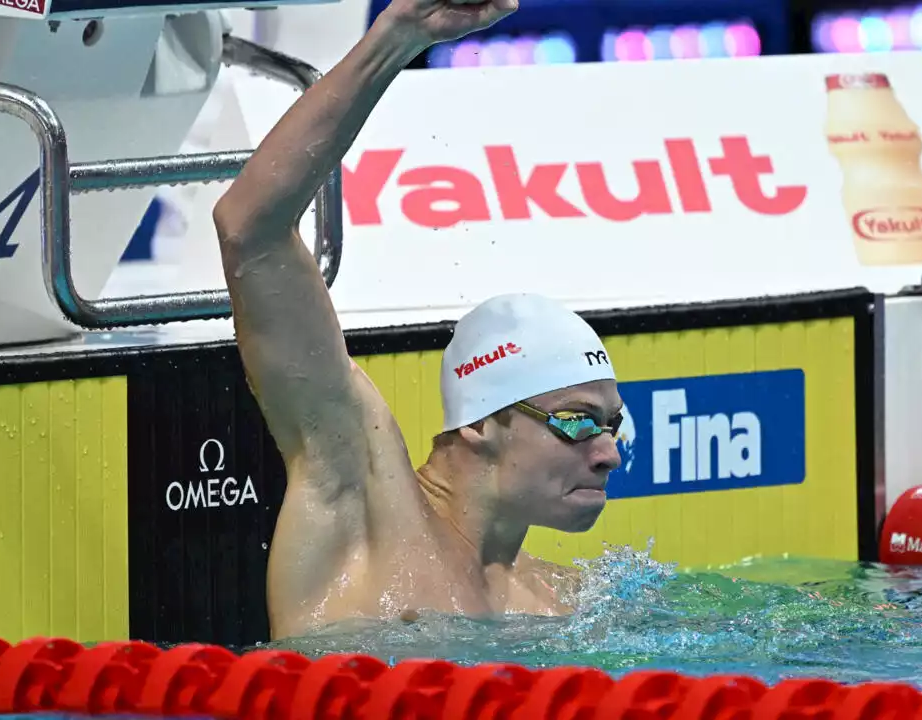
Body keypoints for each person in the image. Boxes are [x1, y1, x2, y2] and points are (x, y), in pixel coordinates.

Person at [211, 0, 625, 640]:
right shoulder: (365, 505)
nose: (608, 456)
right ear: (485, 423)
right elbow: (250, 228)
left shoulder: (559, 598)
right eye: (576, 422)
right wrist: (398, 38)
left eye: (611, 427)